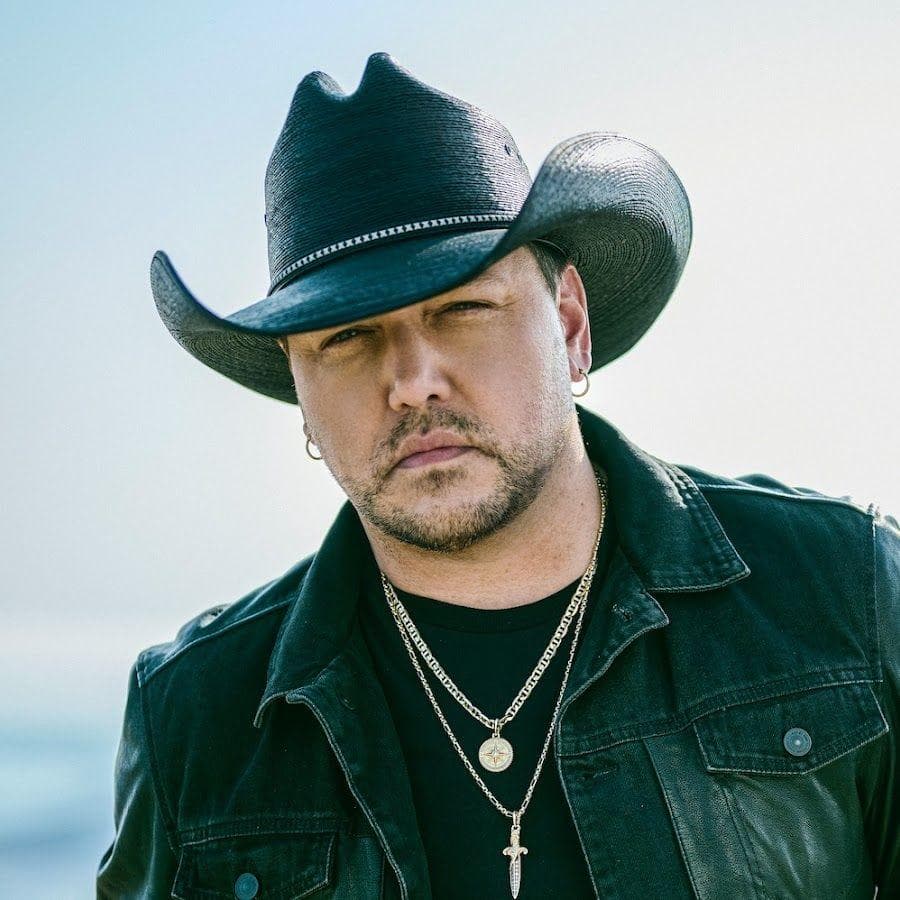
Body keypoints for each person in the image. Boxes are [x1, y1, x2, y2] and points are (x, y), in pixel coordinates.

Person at [97, 51, 898, 899]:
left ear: (571, 326)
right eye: (346, 337)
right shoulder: (195, 715)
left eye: (463, 308)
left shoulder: (841, 593)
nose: (412, 383)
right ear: (300, 392)